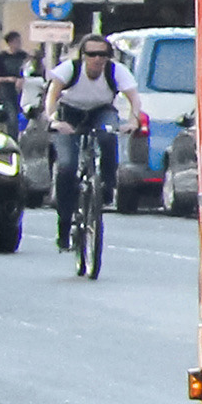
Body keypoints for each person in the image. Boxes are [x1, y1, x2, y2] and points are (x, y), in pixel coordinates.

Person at [45, 30, 134, 248]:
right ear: (82, 55)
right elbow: (52, 96)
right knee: (67, 166)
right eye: (92, 54)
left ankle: (106, 186)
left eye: (103, 54)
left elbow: (134, 99)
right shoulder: (69, 69)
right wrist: (54, 120)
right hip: (70, 113)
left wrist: (133, 120)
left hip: (100, 110)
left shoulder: (116, 71)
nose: (97, 59)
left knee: (108, 135)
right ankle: (64, 225)